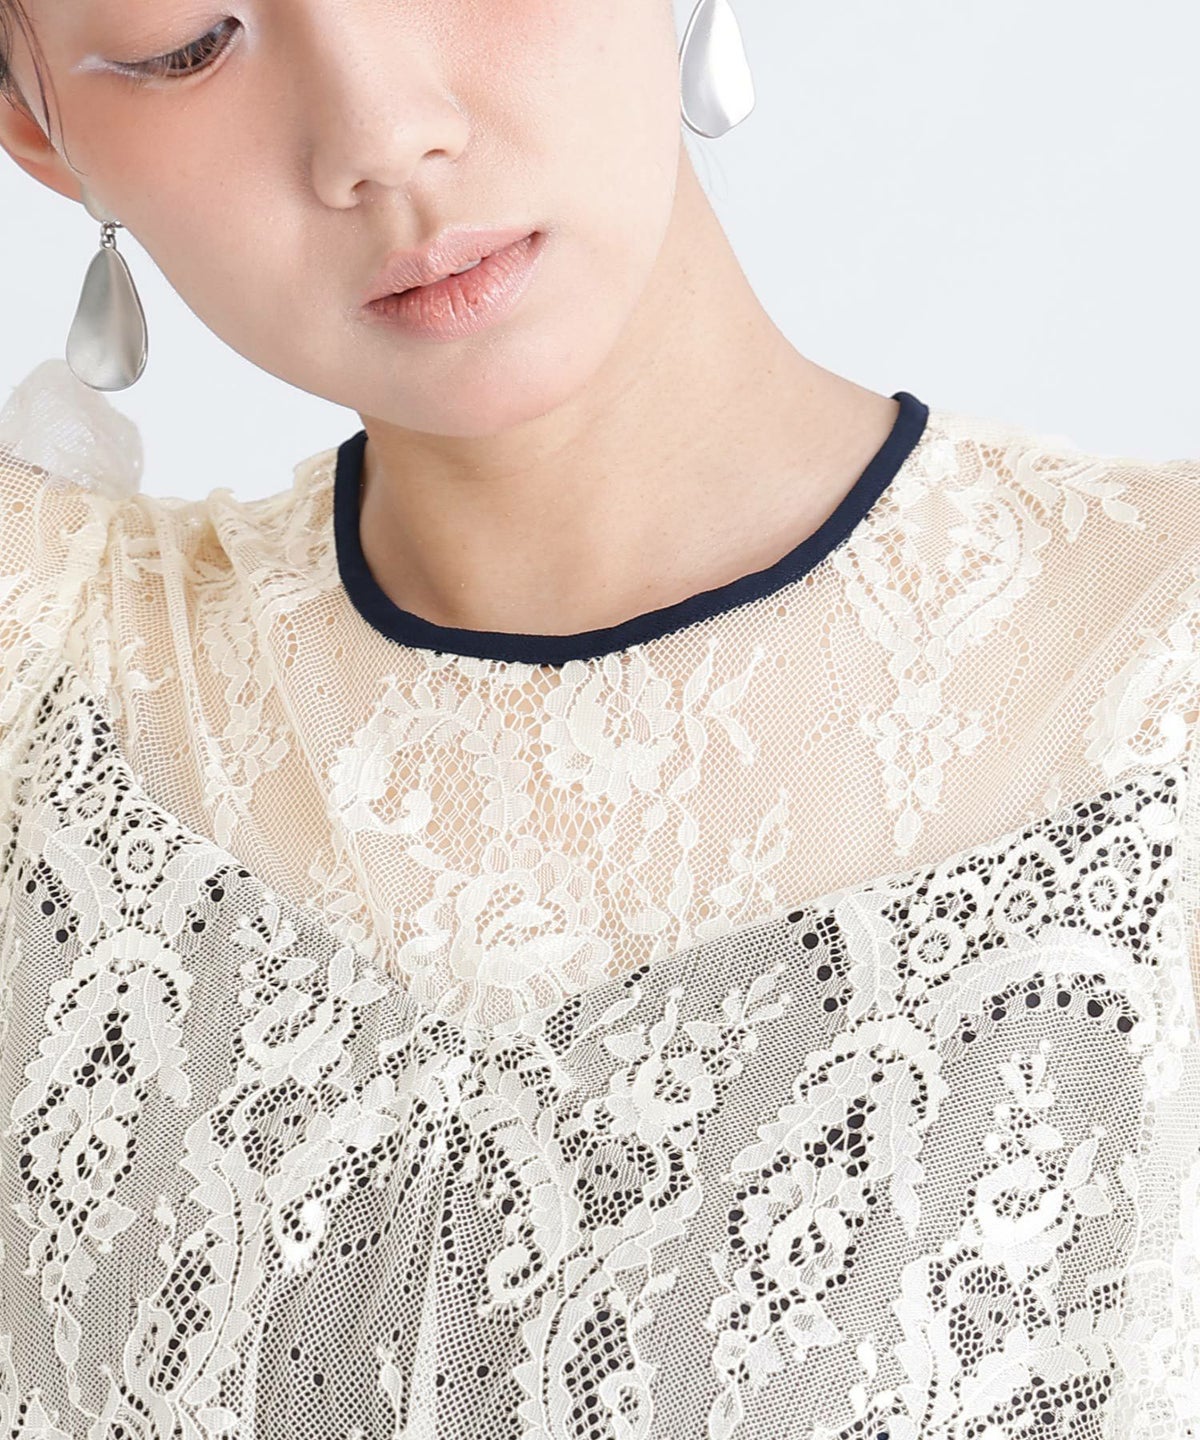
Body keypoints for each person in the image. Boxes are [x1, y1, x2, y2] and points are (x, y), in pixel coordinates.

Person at [0, 3, 1198, 1436]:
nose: (382, 137)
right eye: (188, 42)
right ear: (40, 127)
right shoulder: (46, 673)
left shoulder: (1157, 669)